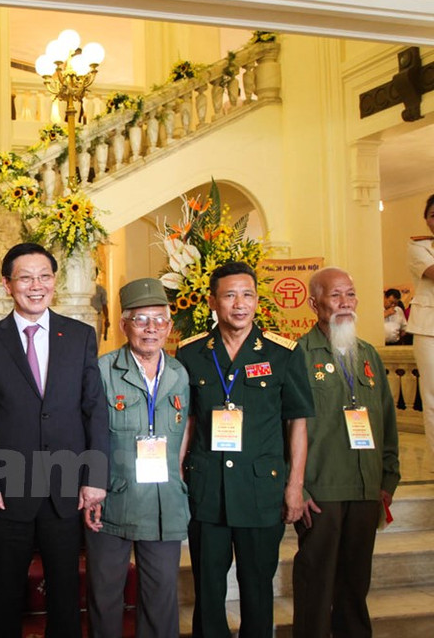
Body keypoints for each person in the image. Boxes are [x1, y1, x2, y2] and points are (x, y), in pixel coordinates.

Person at [0, 242, 109, 638]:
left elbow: (94, 409)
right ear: (6, 284)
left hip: (65, 487)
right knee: (7, 592)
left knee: (65, 591)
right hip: (9, 488)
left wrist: (94, 476)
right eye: (25, 277)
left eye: (44, 276)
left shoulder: (79, 335)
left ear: (54, 282)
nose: (36, 285)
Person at [175, 261, 314, 638]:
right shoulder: (190, 354)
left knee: (257, 588)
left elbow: (297, 422)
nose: (240, 304)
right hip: (208, 491)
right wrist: (176, 477)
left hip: (260, 490)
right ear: (212, 302)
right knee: (208, 591)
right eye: (230, 295)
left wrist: (295, 485)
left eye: (248, 295)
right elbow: (187, 422)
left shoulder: (282, 353)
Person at [293, 267, 400, 638]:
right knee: (316, 582)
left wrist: (388, 477)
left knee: (356, 583)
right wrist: (297, 488)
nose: (345, 303)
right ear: (314, 303)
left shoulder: (368, 354)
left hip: (365, 487)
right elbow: (283, 426)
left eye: (350, 295)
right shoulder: (298, 356)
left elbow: (386, 419)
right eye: (335, 295)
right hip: (321, 490)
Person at [85, 278, 190, 638]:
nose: (151, 329)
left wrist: (178, 476)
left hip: (164, 502)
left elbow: (185, 428)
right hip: (112, 498)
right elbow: (86, 433)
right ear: (124, 324)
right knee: (105, 594)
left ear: (170, 326)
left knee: (161, 597)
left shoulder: (179, 373)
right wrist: (91, 485)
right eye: (141, 319)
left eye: (159, 320)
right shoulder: (102, 370)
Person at [407, 193, 434, 454]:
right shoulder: (419, 247)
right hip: (428, 328)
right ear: (426, 219)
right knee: (432, 395)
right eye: (433, 215)